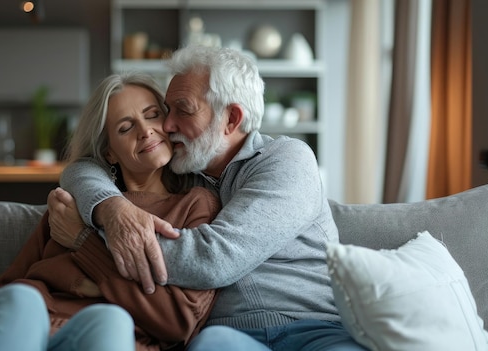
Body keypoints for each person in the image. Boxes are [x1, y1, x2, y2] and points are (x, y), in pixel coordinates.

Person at [49, 45, 366, 350]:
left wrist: (88, 234)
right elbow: (83, 168)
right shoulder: (183, 170)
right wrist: (112, 209)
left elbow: (214, 259)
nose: (167, 125)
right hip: (230, 336)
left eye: (183, 110)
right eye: (167, 110)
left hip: (315, 330)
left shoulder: (287, 159)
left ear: (231, 119)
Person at [0, 72, 221, 351]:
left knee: (112, 320)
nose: (145, 131)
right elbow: (9, 287)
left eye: (152, 115)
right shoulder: (76, 202)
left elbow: (178, 322)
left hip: (111, 334)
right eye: (125, 128)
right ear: (110, 152)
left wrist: (84, 244)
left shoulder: (194, 205)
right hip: (28, 326)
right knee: (22, 301)